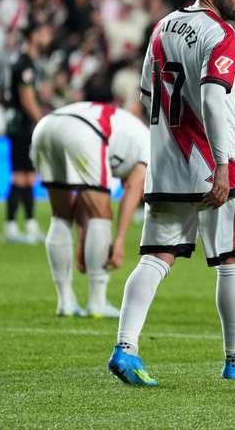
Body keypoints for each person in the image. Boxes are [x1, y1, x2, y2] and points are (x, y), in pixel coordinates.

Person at [107, 0, 235, 387]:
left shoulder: (163, 26)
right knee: (232, 259)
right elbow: (217, 102)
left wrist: (168, 140)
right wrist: (221, 164)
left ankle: (125, 348)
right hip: (211, 164)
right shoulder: (222, 35)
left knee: (156, 258)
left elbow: (146, 92)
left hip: (165, 166)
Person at [31, 101, 149, 318]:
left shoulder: (129, 130)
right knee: (102, 215)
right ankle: (97, 302)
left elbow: (83, 196)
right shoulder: (151, 146)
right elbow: (133, 187)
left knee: (61, 216)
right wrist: (120, 240)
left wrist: (84, 238)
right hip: (85, 133)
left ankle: (65, 301)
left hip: (45, 128)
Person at [2, 23, 53, 245]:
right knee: (21, 177)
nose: (47, 35)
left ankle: (29, 225)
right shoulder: (25, 64)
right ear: (34, 36)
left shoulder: (25, 62)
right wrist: (43, 123)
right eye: (44, 31)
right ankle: (11, 227)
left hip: (21, 126)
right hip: (22, 127)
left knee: (29, 177)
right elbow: (27, 100)